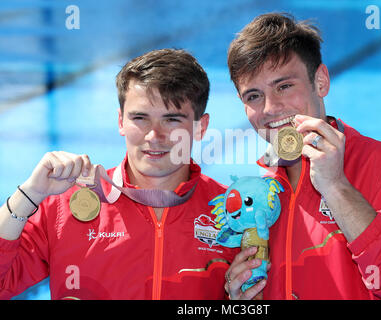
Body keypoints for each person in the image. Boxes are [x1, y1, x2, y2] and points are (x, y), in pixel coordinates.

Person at [224, 12, 381, 300]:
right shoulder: (256, 195)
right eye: (253, 96)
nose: (269, 108)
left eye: (284, 86)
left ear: (320, 82)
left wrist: (337, 187)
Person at [0, 49, 238, 299]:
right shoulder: (64, 207)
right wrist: (28, 195)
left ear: (201, 127)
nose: (153, 136)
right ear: (120, 121)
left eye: (171, 119)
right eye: (140, 118)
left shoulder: (233, 212)